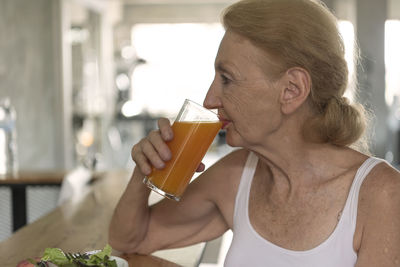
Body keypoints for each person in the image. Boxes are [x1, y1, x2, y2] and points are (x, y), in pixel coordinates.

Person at [109, 0, 400, 266]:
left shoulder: (382, 196)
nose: (210, 99)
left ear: (292, 90)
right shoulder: (237, 175)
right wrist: (142, 174)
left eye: (227, 79)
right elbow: (129, 241)